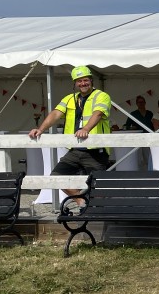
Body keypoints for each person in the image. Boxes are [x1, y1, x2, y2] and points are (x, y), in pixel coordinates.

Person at [28, 65, 112, 207]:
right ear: (75, 83)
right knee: (56, 178)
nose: (83, 83)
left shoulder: (101, 96)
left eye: (85, 80)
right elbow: (55, 114)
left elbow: (97, 113)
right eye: (79, 81)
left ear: (91, 80)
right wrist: (40, 129)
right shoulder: (69, 99)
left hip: (96, 150)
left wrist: (86, 128)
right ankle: (82, 202)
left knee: (97, 186)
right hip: (76, 149)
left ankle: (100, 214)